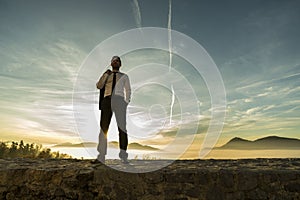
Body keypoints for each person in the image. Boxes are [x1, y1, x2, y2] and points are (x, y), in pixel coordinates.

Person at [94, 56, 131, 164]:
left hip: (119, 101)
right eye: (113, 61)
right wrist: (105, 74)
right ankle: (101, 156)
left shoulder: (124, 76)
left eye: (117, 61)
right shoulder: (107, 75)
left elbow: (128, 89)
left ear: (120, 64)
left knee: (122, 128)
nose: (115, 62)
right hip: (107, 101)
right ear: (111, 63)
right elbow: (99, 86)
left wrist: (126, 102)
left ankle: (123, 156)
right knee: (103, 128)